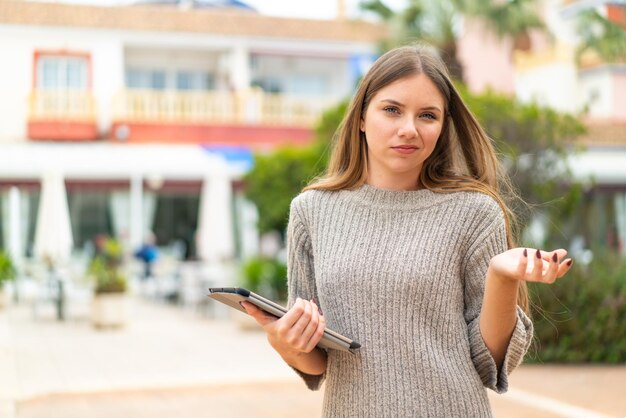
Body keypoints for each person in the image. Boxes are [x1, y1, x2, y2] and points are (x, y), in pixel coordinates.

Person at [241, 44, 574, 417]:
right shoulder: (312, 211)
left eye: (427, 116)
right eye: (392, 110)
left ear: (443, 126)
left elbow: (489, 362)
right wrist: (284, 342)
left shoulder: (474, 213)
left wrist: (501, 277)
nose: (409, 129)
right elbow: (318, 361)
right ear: (362, 117)